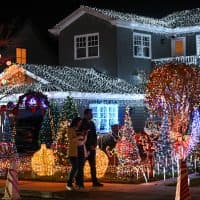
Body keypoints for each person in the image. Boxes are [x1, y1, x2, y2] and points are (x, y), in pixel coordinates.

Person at [82, 108, 103, 187]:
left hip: (92, 148)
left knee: (93, 165)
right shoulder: (82, 123)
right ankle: (79, 181)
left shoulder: (92, 123)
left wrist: (94, 145)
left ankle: (95, 181)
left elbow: (94, 135)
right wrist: (88, 145)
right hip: (85, 148)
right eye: (91, 113)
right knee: (81, 165)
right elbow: (83, 136)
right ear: (86, 114)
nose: (92, 115)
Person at [66, 117, 87, 190]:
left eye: (81, 122)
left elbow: (83, 140)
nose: (80, 123)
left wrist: (84, 137)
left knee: (80, 168)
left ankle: (80, 184)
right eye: (79, 122)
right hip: (74, 151)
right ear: (76, 122)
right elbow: (71, 140)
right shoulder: (70, 129)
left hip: (81, 150)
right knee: (75, 167)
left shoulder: (81, 130)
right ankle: (69, 183)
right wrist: (78, 137)